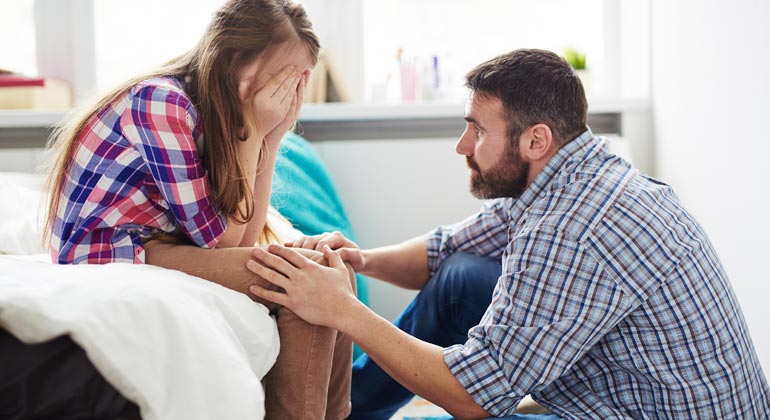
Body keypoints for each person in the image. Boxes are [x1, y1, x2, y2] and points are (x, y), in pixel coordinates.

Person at [245, 49, 770, 419]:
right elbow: (445, 250)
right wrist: (359, 261)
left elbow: (474, 397)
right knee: (459, 277)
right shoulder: (574, 175)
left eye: (477, 129)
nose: (461, 145)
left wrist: (341, 308)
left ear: (535, 140)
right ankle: (351, 412)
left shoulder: (569, 229)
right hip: (648, 391)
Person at [41, 1, 353, 419]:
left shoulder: (214, 112)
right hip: (114, 251)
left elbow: (241, 236)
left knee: (334, 271)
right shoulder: (161, 102)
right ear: (237, 61)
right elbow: (219, 239)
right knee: (304, 283)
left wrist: (272, 137)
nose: (288, 95)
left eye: (298, 82)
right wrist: (255, 130)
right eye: (283, 79)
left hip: (161, 243)